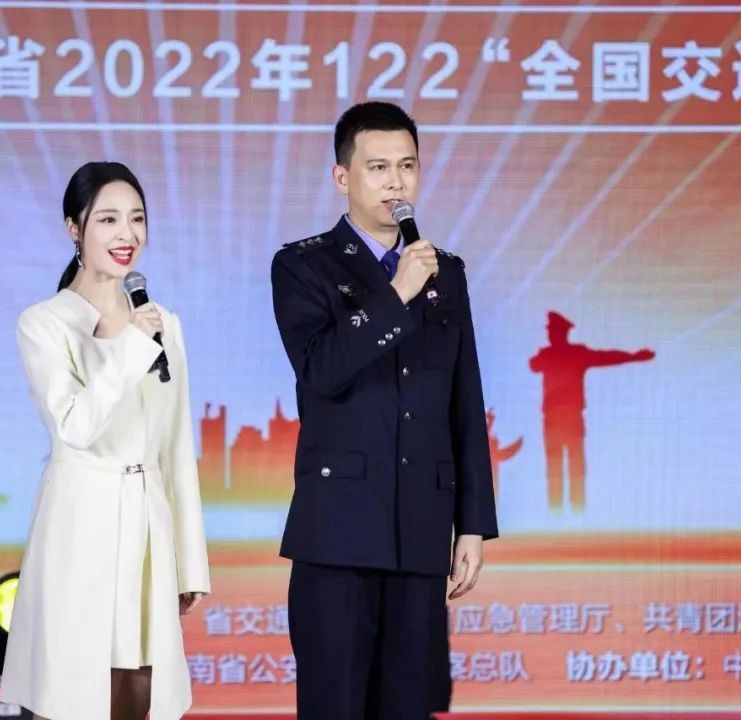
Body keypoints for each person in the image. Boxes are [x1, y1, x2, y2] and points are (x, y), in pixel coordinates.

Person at [270, 101, 499, 719]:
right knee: (335, 705)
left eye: (407, 165)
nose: (396, 182)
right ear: (342, 177)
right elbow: (321, 369)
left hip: (421, 533)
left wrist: (472, 524)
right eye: (378, 167)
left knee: (408, 706)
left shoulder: (445, 273)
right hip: (337, 536)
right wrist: (396, 293)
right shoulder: (303, 265)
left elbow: (464, 400)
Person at [0, 161, 210, 720]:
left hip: (148, 524)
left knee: (141, 687)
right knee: (72, 688)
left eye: (137, 218)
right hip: (80, 522)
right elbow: (74, 426)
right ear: (75, 228)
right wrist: (130, 348)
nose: (127, 234)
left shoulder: (163, 322)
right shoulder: (44, 323)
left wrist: (190, 561)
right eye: (109, 219)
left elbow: (175, 447)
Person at [529, 311, 654, 511]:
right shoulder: (562, 354)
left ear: (561, 333)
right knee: (562, 466)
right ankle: (564, 511)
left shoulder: (561, 354)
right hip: (560, 418)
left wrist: (633, 357)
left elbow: (606, 357)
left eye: (552, 331)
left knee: (568, 466)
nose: (549, 335)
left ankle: (566, 511)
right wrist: (634, 357)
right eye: (549, 331)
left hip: (564, 417)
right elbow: (534, 365)